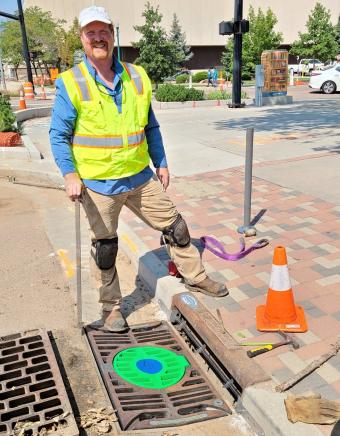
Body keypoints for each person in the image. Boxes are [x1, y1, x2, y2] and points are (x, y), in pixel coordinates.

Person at [50, 5, 228, 333]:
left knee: (176, 227)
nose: (98, 38)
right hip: (98, 183)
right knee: (105, 248)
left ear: (113, 35)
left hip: (140, 177)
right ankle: (111, 308)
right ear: (83, 39)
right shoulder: (70, 83)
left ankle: (198, 278)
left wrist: (160, 161)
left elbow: (151, 126)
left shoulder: (137, 75)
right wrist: (69, 173)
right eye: (92, 33)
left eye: (104, 31)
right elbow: (58, 135)